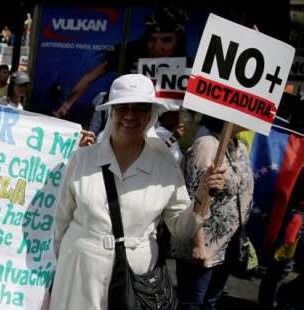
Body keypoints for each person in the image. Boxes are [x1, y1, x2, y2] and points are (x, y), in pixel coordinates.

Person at [50, 74, 226, 309]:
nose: (130, 115)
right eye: (122, 107)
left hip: (135, 278)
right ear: (111, 112)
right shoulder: (82, 158)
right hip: (79, 273)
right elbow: (61, 220)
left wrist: (203, 195)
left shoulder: (165, 166)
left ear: (151, 115)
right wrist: (70, 258)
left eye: (140, 108)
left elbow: (181, 229)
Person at [169, 115, 253, 310]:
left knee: (211, 303)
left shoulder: (239, 146)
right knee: (192, 304)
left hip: (226, 247)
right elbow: (192, 197)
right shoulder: (207, 146)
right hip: (202, 247)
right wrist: (198, 245)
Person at [54, 8, 188, 119]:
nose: (157, 47)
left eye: (166, 40)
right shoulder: (130, 53)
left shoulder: (187, 67)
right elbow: (89, 77)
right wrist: (67, 104)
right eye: (152, 40)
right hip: (121, 118)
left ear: (178, 41)